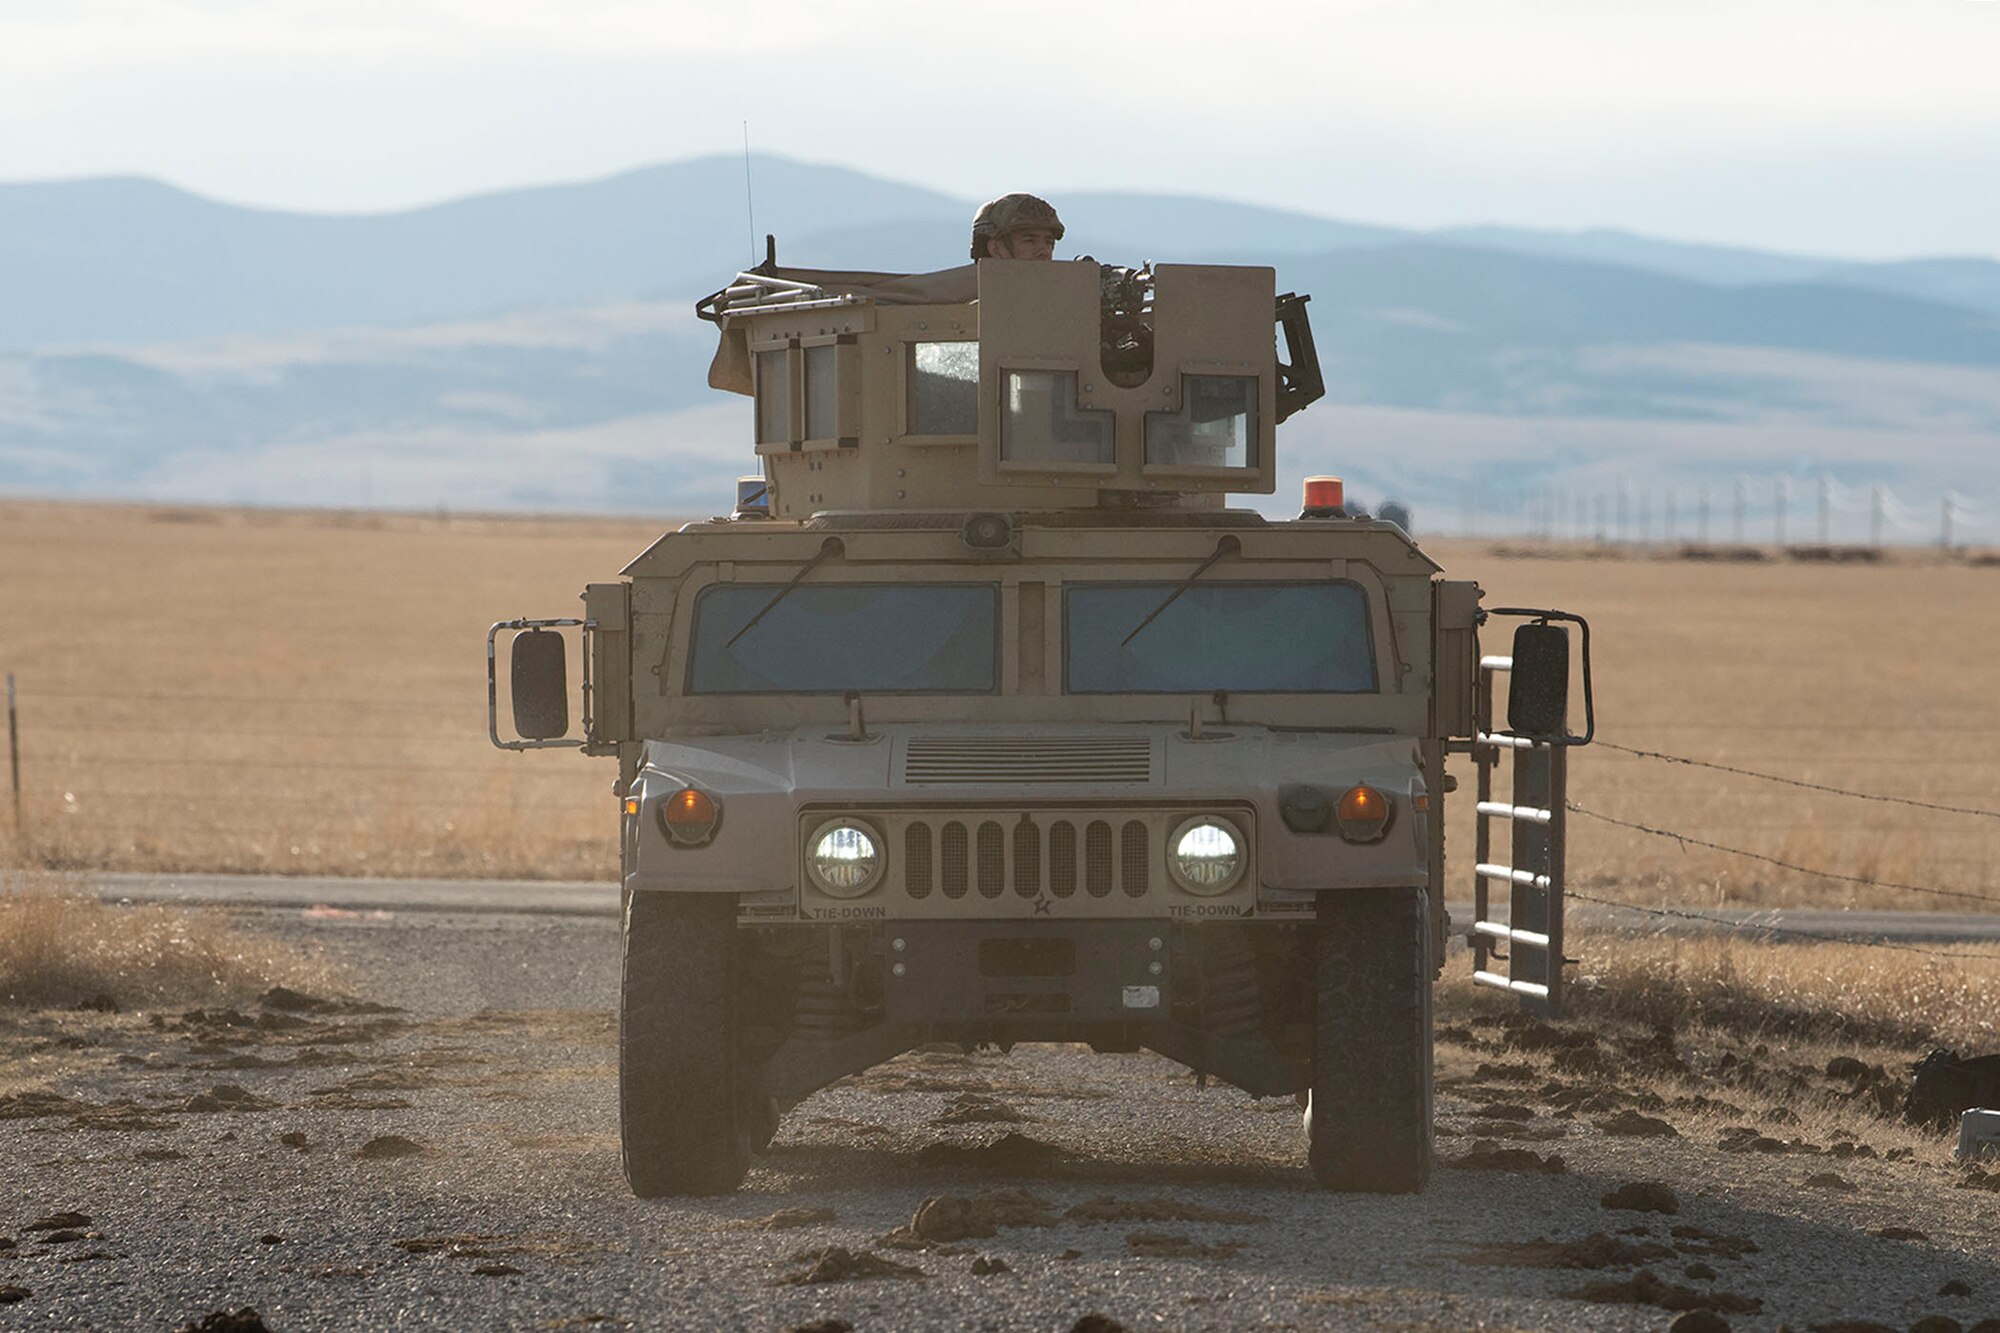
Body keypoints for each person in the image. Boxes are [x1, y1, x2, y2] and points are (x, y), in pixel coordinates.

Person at [970, 193, 1063, 261]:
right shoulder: (965, 287)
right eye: (1029, 241)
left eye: (1049, 242)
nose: (1044, 252)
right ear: (995, 249)